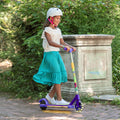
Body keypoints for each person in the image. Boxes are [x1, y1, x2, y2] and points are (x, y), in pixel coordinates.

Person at [33, 7, 76, 105]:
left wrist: (71, 46)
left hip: (56, 54)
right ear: (50, 18)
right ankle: (59, 99)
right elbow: (51, 42)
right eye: (57, 18)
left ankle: (50, 97)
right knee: (57, 74)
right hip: (49, 54)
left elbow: (62, 42)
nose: (59, 20)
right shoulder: (47, 30)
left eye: (59, 18)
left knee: (62, 75)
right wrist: (62, 47)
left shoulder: (58, 30)